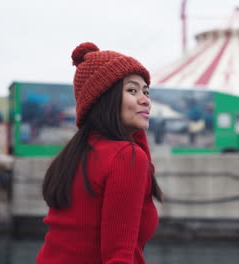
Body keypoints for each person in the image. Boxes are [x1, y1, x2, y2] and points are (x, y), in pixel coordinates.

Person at [36, 42, 162, 264]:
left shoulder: (74, 155)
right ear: (105, 99)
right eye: (132, 90)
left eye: (146, 91)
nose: (145, 100)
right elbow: (119, 256)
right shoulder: (126, 157)